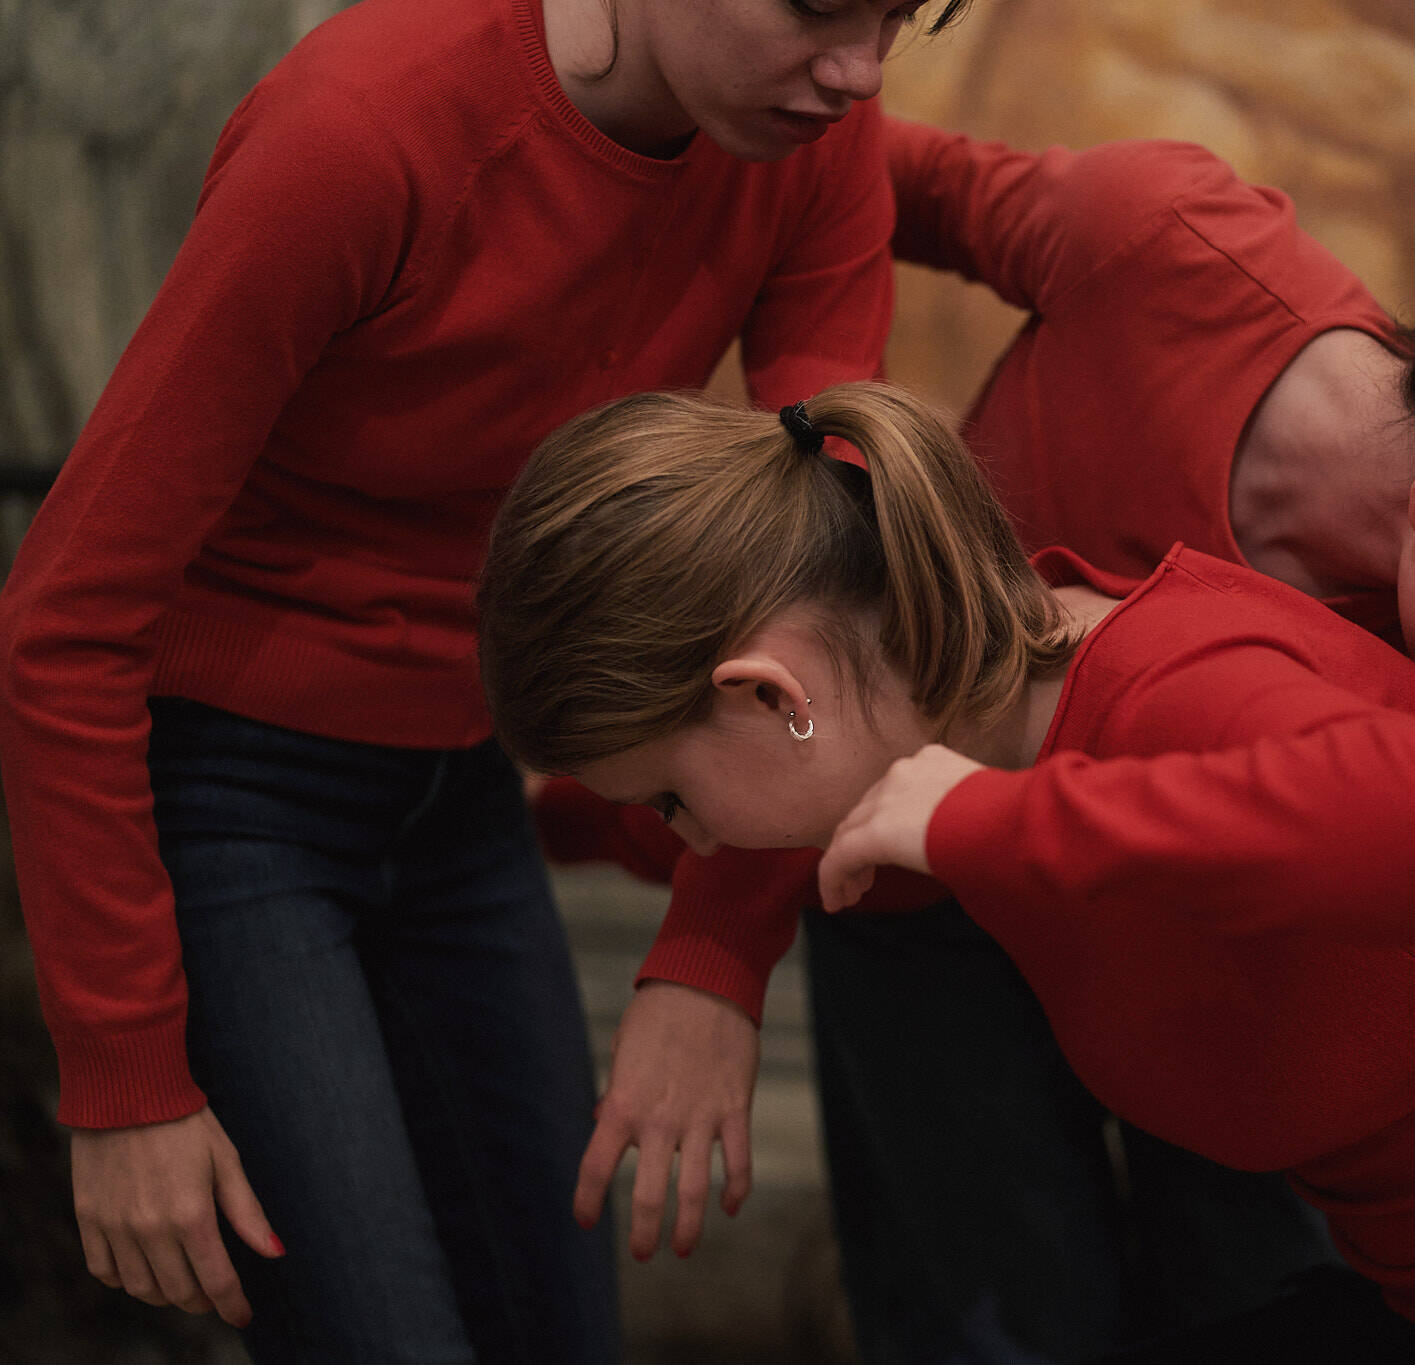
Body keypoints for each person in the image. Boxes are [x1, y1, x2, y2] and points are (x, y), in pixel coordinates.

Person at [538, 122, 1415, 1361]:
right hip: (915, 896)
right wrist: (715, 948)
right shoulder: (1168, 244)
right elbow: (832, 159)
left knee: (1234, 1303)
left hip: (1224, 1002)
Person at [0, 0, 968, 1359]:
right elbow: (61, 614)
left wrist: (712, 955)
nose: (860, 68)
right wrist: (122, 1079)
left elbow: (830, 586)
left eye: (903, 13)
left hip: (460, 789)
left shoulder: (813, 142)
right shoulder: (364, 128)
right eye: (816, 6)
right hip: (229, 796)